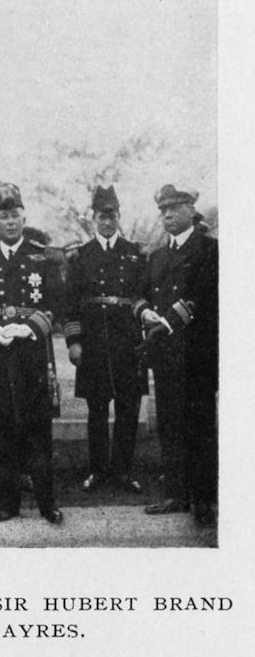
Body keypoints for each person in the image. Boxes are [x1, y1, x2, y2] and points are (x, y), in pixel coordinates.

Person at [0, 182, 65, 524]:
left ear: (24, 217)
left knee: (38, 432)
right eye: (2, 216)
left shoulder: (43, 257)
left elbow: (56, 304)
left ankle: (47, 503)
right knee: (3, 430)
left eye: (15, 215)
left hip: (33, 355)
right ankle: (8, 504)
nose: (10, 222)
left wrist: (31, 327)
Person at [133, 184, 218, 526]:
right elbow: (140, 293)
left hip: (195, 354)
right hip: (166, 356)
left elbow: (203, 298)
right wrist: (144, 313)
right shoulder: (157, 255)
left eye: (174, 209)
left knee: (199, 426)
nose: (167, 215)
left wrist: (165, 321)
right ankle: (176, 494)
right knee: (170, 425)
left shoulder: (209, 250)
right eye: (163, 210)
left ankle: (204, 500)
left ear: (190, 211)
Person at [63, 186, 147, 493]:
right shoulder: (80, 256)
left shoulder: (135, 254)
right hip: (94, 342)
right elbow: (69, 304)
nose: (107, 223)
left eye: (112, 216)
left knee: (128, 408)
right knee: (97, 410)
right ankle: (97, 470)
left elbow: (143, 297)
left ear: (119, 217)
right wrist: (74, 342)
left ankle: (123, 471)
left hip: (127, 342)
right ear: (93, 218)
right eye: (102, 216)